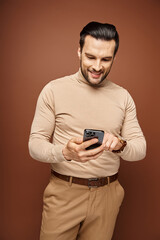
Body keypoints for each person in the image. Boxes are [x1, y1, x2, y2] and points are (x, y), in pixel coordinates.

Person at [29, 21, 146, 240]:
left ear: (114, 57)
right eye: (91, 57)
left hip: (108, 195)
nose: (97, 66)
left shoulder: (123, 97)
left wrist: (121, 145)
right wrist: (65, 153)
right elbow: (35, 144)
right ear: (79, 51)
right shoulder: (53, 90)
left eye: (106, 59)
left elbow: (140, 149)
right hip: (64, 192)